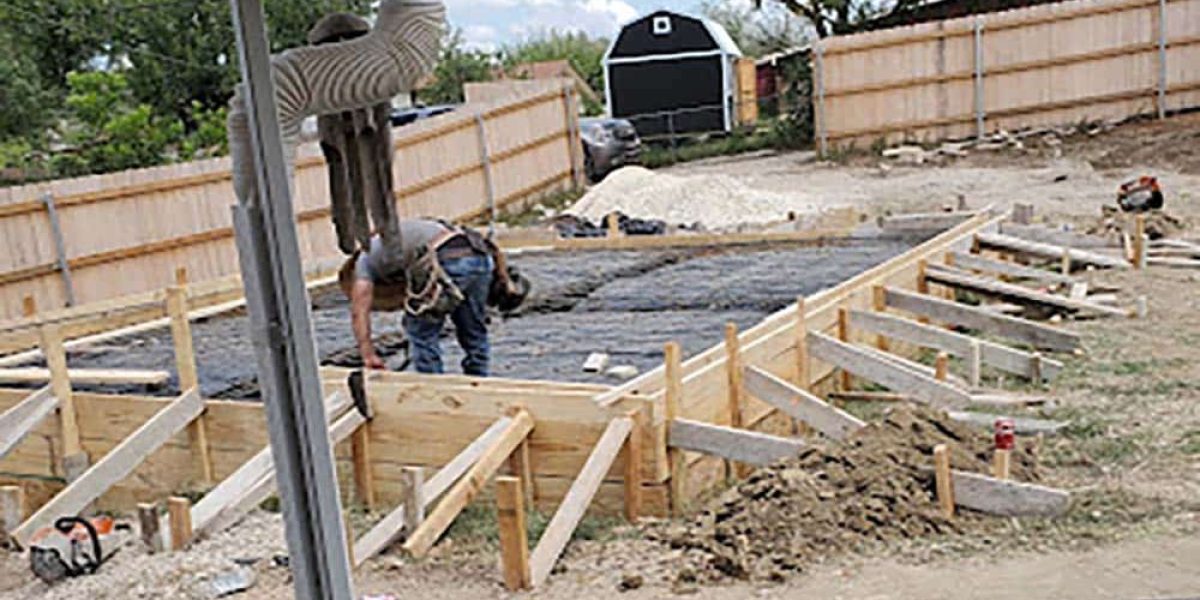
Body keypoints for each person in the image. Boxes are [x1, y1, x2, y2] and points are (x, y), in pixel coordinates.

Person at [348, 219, 494, 376]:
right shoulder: (406, 234)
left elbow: (359, 312)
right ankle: (479, 380)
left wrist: (368, 355)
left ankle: (431, 387)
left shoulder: (364, 261)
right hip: (480, 257)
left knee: (422, 331)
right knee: (472, 327)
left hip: (446, 260)